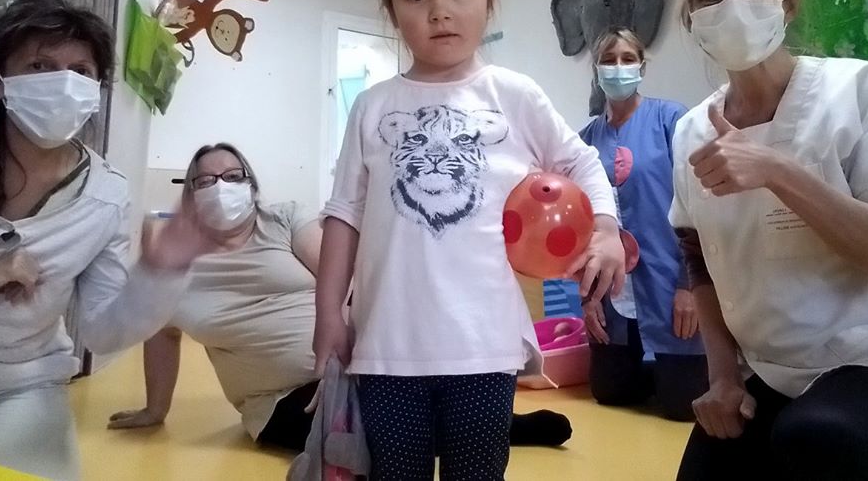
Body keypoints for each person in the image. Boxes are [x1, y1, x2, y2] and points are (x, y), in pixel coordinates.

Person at [314, 0, 626, 481]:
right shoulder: (373, 107)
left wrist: (607, 230)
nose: (440, 11)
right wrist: (328, 312)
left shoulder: (514, 95)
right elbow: (344, 214)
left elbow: (582, 163)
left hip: (484, 346)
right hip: (386, 347)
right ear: (391, 7)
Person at [109, 144, 576, 451]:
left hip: (349, 365)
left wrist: (357, 360)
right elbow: (161, 333)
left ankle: (484, 421)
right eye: (206, 181)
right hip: (277, 402)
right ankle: (495, 428)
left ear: (251, 185)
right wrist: (155, 409)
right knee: (366, 435)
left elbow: (345, 283)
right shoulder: (176, 262)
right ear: (189, 195)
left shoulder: (281, 219)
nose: (221, 188)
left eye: (233, 176)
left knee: (404, 398)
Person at [669, 0, 868, 480]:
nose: (734, 9)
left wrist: (778, 172)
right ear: (692, 18)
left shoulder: (863, 91)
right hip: (765, 371)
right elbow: (699, 263)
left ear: (789, 2)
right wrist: (722, 377)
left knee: (819, 438)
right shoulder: (689, 132)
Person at [0, 0, 206, 479]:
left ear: (96, 89)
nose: (64, 83)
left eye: (80, 70)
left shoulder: (105, 196)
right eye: (40, 66)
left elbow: (101, 330)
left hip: (18, 385)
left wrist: (158, 278)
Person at [578, 27, 707, 421]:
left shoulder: (672, 120)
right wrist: (588, 299)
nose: (618, 68)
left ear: (642, 66)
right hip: (612, 290)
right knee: (610, 394)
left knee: (683, 407)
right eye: (608, 60)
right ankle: (647, 370)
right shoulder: (585, 140)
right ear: (596, 69)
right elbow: (582, 228)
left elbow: (698, 203)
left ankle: (672, 371)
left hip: (669, 282)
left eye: (627, 59)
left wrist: (691, 287)